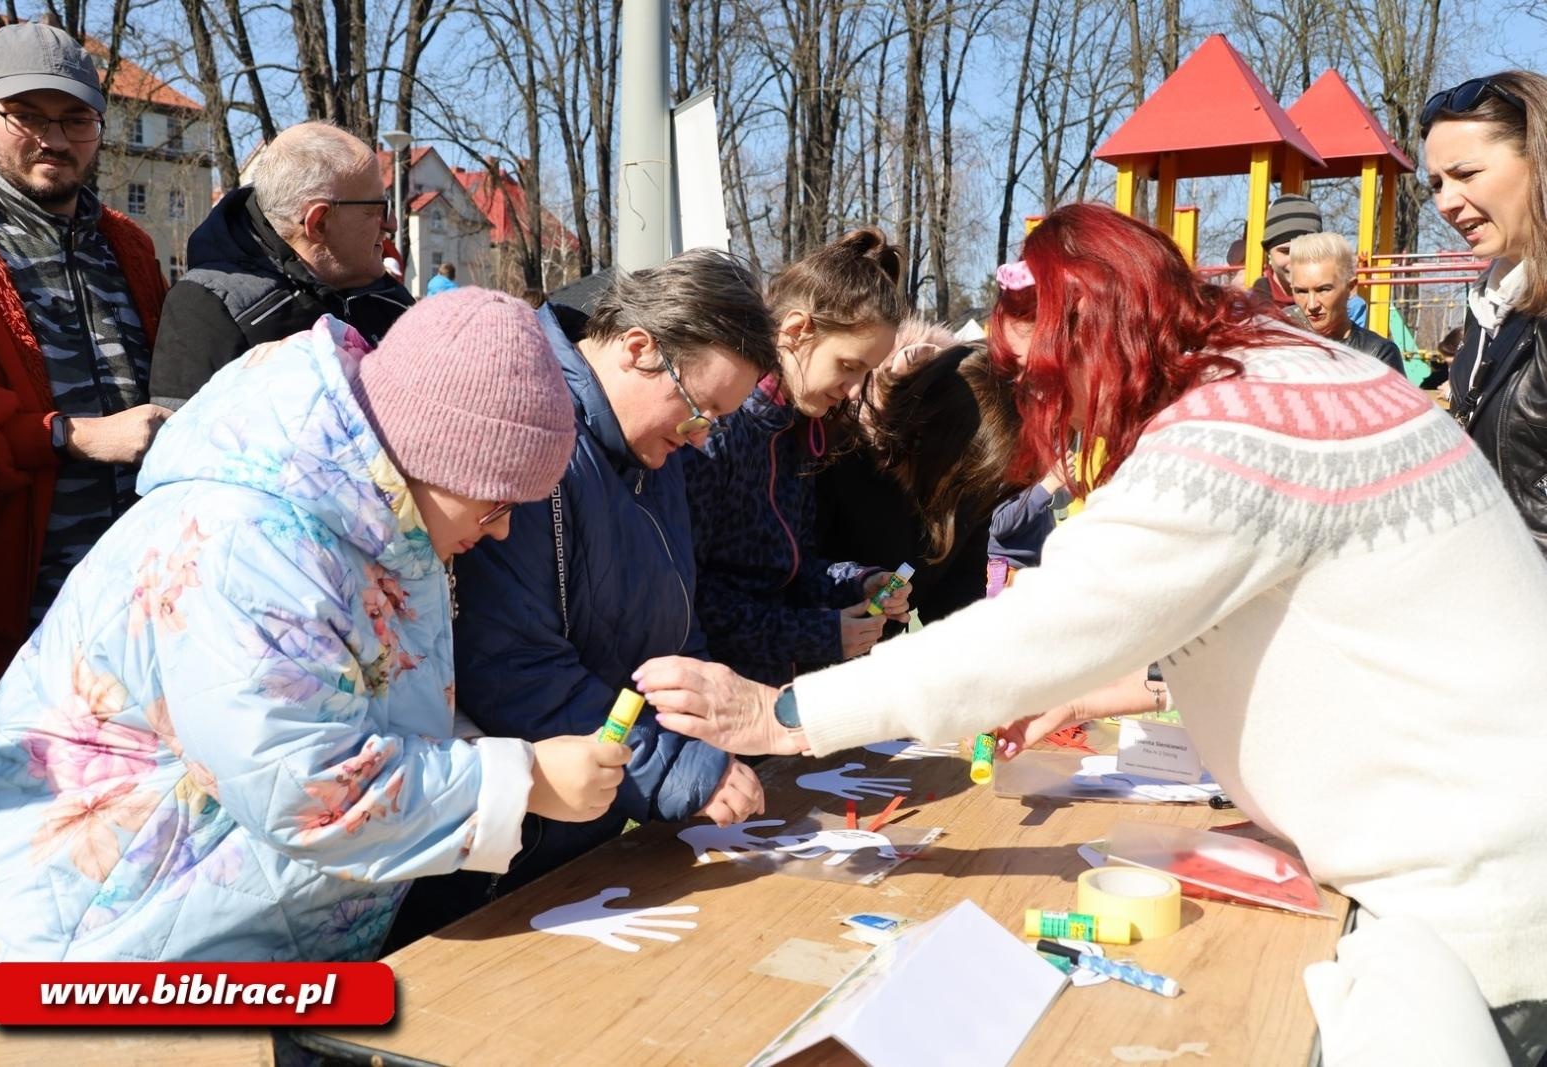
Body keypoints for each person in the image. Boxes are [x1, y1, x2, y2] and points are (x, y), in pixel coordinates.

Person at [637, 204, 1547, 1065]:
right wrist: (1070, 685)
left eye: (1039, 380)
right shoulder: (1285, 372)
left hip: (1472, 902)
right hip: (1458, 863)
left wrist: (784, 712)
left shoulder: (1228, 435)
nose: (1037, 408)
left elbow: (1035, 629)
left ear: (1101, 344)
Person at [0, 289, 630, 1027]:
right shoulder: (251, 542)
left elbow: (362, 695)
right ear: (432, 454)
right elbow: (300, 782)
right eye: (497, 504)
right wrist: (519, 781)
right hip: (91, 963)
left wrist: (474, 750)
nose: (501, 532)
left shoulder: (366, 523)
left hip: (191, 942)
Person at [382, 251, 781, 946]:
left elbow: (671, 629)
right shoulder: (539, 436)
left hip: (577, 834)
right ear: (639, 349)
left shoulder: (650, 452)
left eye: (715, 420)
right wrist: (680, 768)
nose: (700, 439)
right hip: (493, 860)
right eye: (699, 411)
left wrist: (705, 723)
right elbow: (509, 665)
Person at [0, 21, 169, 777]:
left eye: (75, 119)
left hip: (126, 632)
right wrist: (66, 435)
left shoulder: (130, 248)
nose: (54, 139)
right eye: (28, 116)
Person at [682, 229, 913, 687]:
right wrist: (817, 634)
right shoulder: (719, 429)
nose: (854, 391)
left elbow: (793, 567)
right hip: (709, 695)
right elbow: (690, 598)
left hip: (767, 693)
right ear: (795, 331)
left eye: (865, 373)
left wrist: (860, 581)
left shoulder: (798, 430)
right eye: (848, 366)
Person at [148, 121, 415, 409]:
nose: (391, 224)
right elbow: (179, 433)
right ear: (318, 223)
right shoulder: (207, 307)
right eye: (378, 208)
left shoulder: (385, 295)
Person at [816, 315, 1024, 623]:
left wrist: (962, 635)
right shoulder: (843, 449)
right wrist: (851, 598)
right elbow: (797, 567)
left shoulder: (972, 476)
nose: (970, 490)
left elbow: (960, 577)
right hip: (819, 634)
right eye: (963, 473)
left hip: (881, 641)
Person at [1424, 71, 1547, 553]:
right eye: (1436, 184)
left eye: (1466, 174)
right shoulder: (1488, 305)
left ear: (1537, 160)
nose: (1445, 203)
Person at [1287, 232, 1406, 375]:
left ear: (1350, 287)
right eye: (1301, 291)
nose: (1312, 305)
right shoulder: (1281, 347)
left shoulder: (1377, 354)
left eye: (1323, 290)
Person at [1249, 194, 1321, 328]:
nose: (1295, 261)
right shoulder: (1247, 310)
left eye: (1305, 250)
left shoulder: (1339, 307)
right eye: (1286, 251)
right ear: (1268, 253)